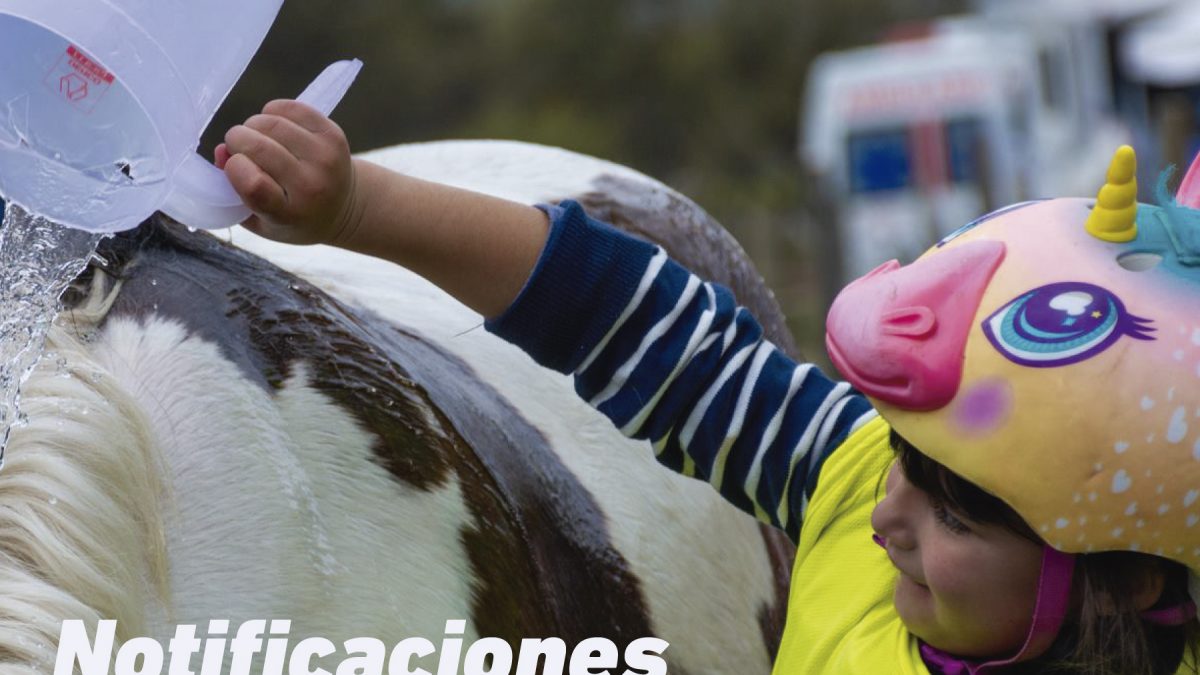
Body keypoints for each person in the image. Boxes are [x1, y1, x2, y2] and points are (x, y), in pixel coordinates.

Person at [215, 100, 1200, 674]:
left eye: (959, 518)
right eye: (906, 458)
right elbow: (636, 327)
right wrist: (361, 206)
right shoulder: (849, 479)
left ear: (1132, 574)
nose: (887, 517)